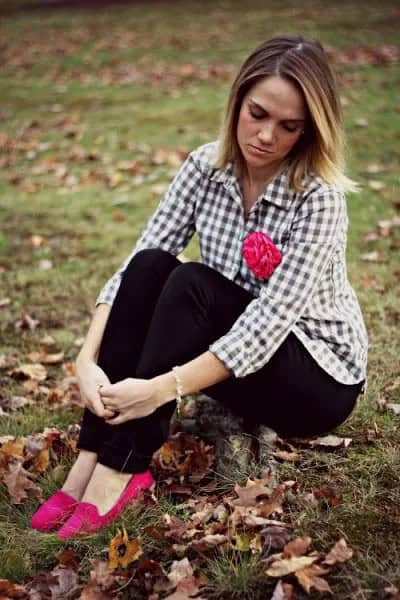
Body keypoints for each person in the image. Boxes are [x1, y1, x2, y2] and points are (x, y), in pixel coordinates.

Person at [30, 34, 368, 539]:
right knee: (151, 265)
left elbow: (265, 325)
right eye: (257, 114)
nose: (266, 136)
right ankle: (90, 459)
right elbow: (133, 270)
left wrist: (160, 390)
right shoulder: (205, 167)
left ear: (309, 131)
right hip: (230, 355)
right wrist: (86, 359)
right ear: (238, 102)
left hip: (315, 379)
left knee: (191, 281)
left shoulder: (319, 200)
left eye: (288, 126)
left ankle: (121, 470)